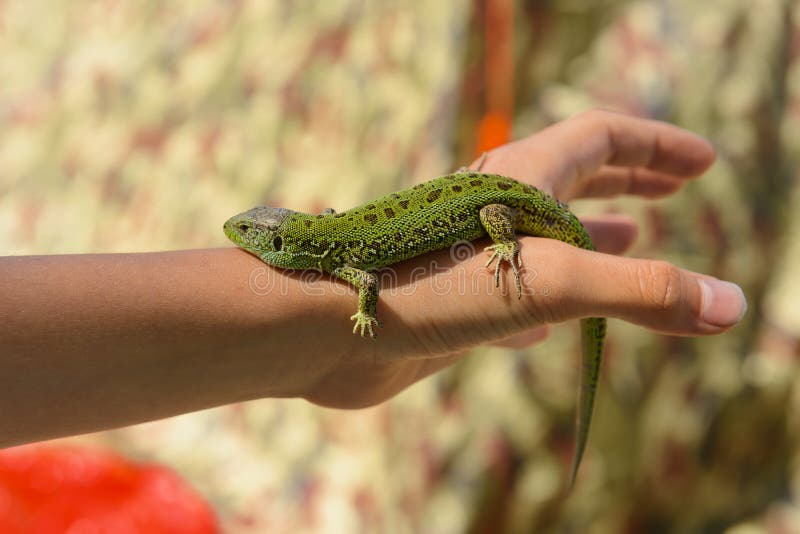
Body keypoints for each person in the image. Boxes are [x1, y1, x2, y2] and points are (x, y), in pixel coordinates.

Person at [0, 110, 746, 447]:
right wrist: (324, 340)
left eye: (256, 233)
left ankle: (512, 245)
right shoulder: (317, 241)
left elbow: (365, 287)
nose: (240, 240)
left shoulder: (335, 259)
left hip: (498, 211)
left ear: (286, 239)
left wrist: (363, 320)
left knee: (499, 225)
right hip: (479, 202)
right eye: (249, 232)